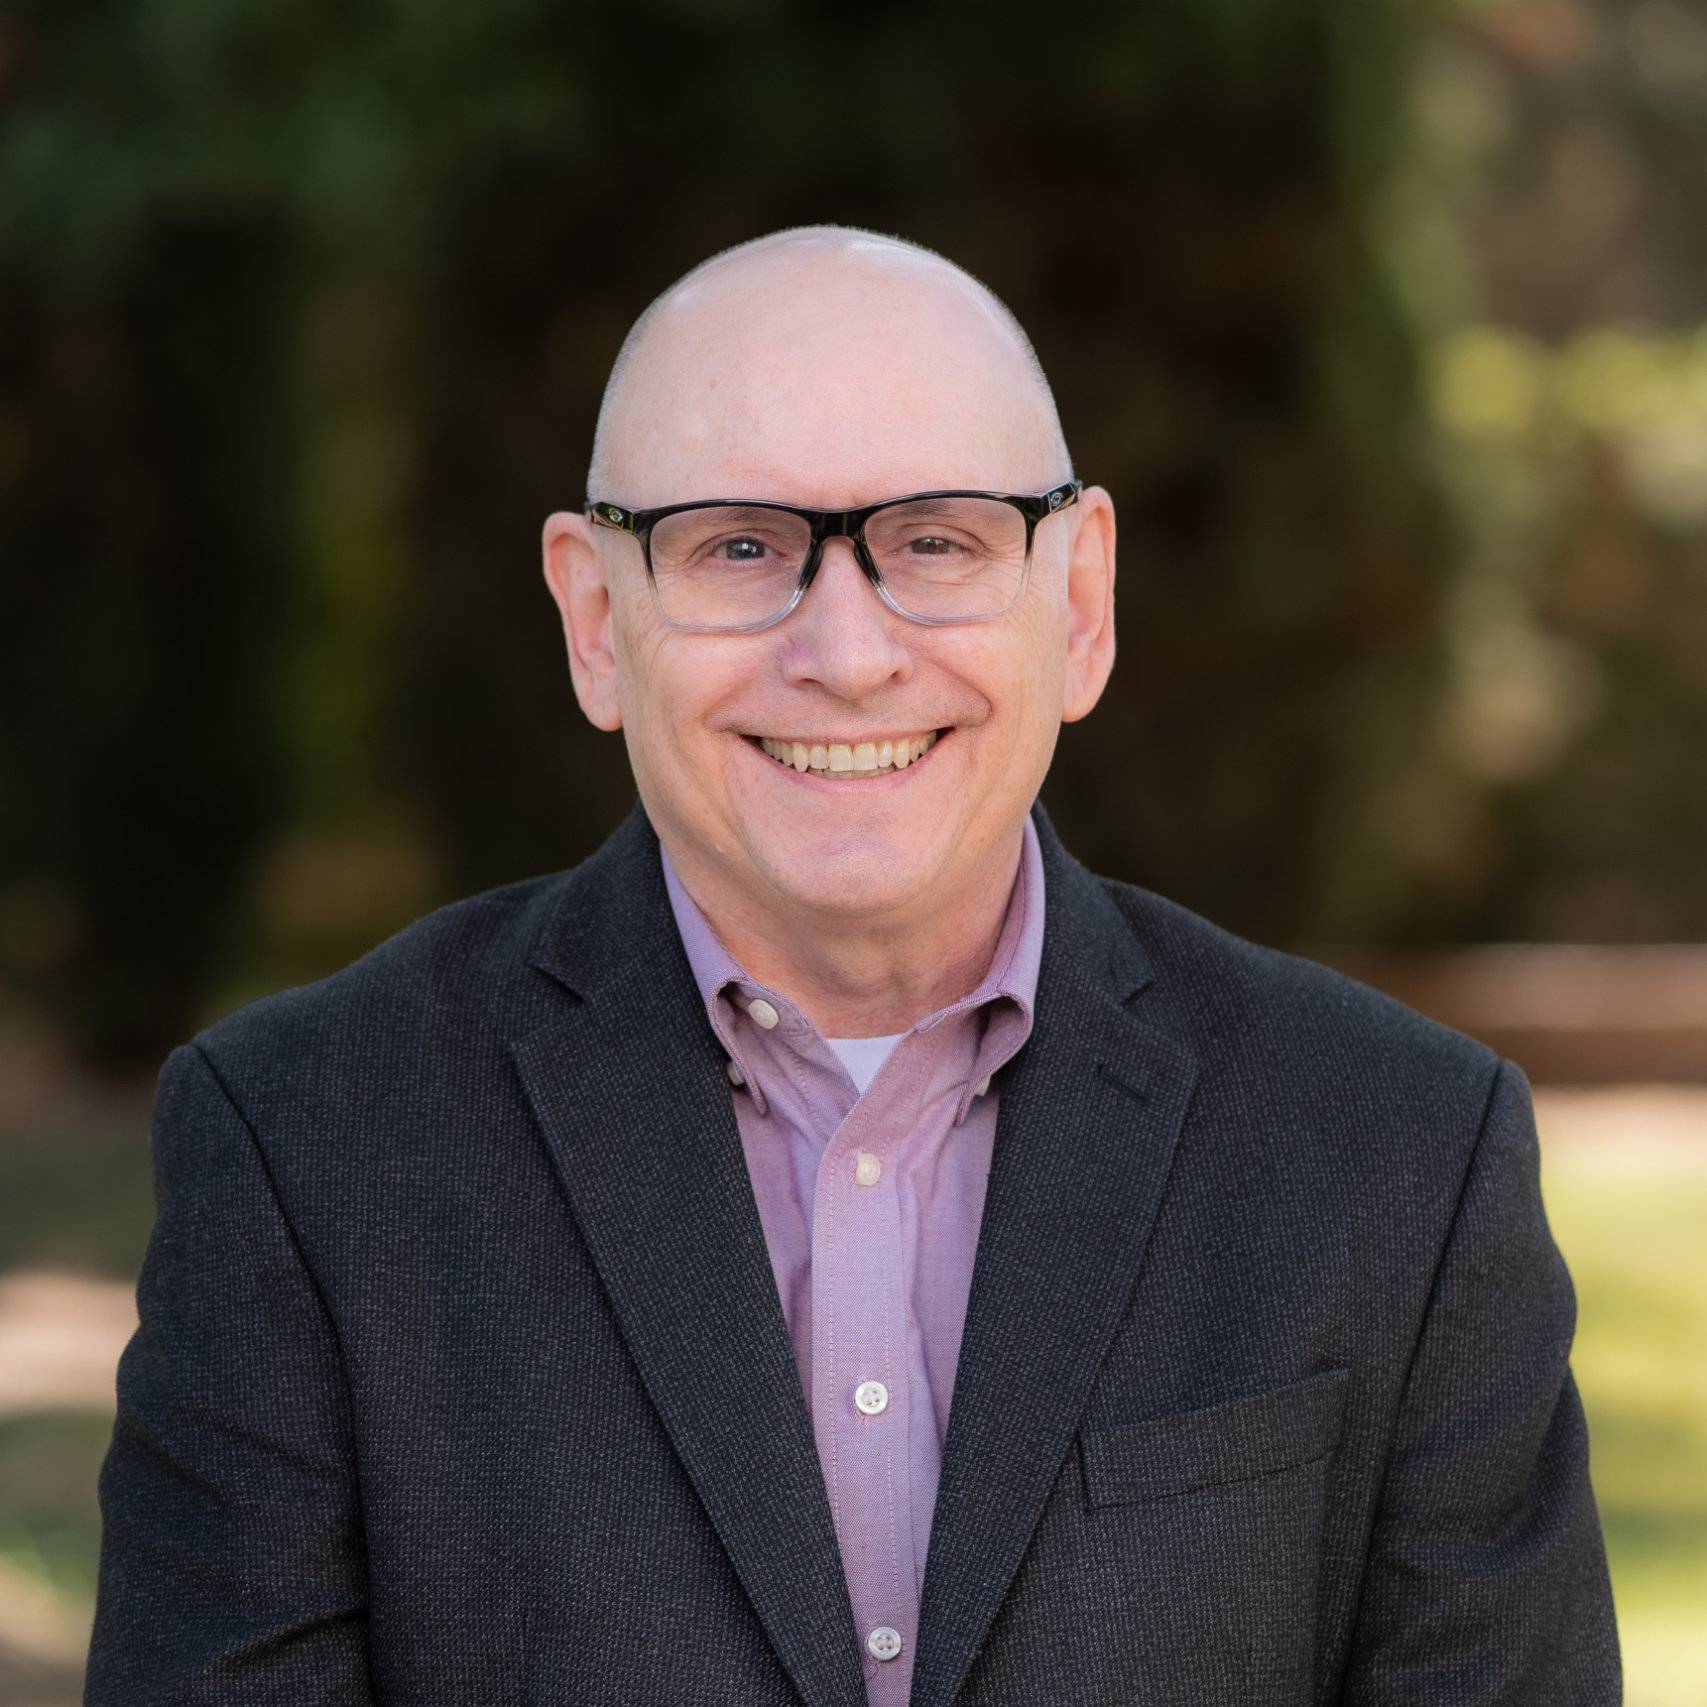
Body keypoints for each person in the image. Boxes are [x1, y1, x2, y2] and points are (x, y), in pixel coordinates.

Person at [87, 226, 1620, 1706]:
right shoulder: (304, 1148)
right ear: (594, 618)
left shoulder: (1397, 1155)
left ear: (1078, 601)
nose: (847, 649)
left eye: (935, 541)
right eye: (741, 546)